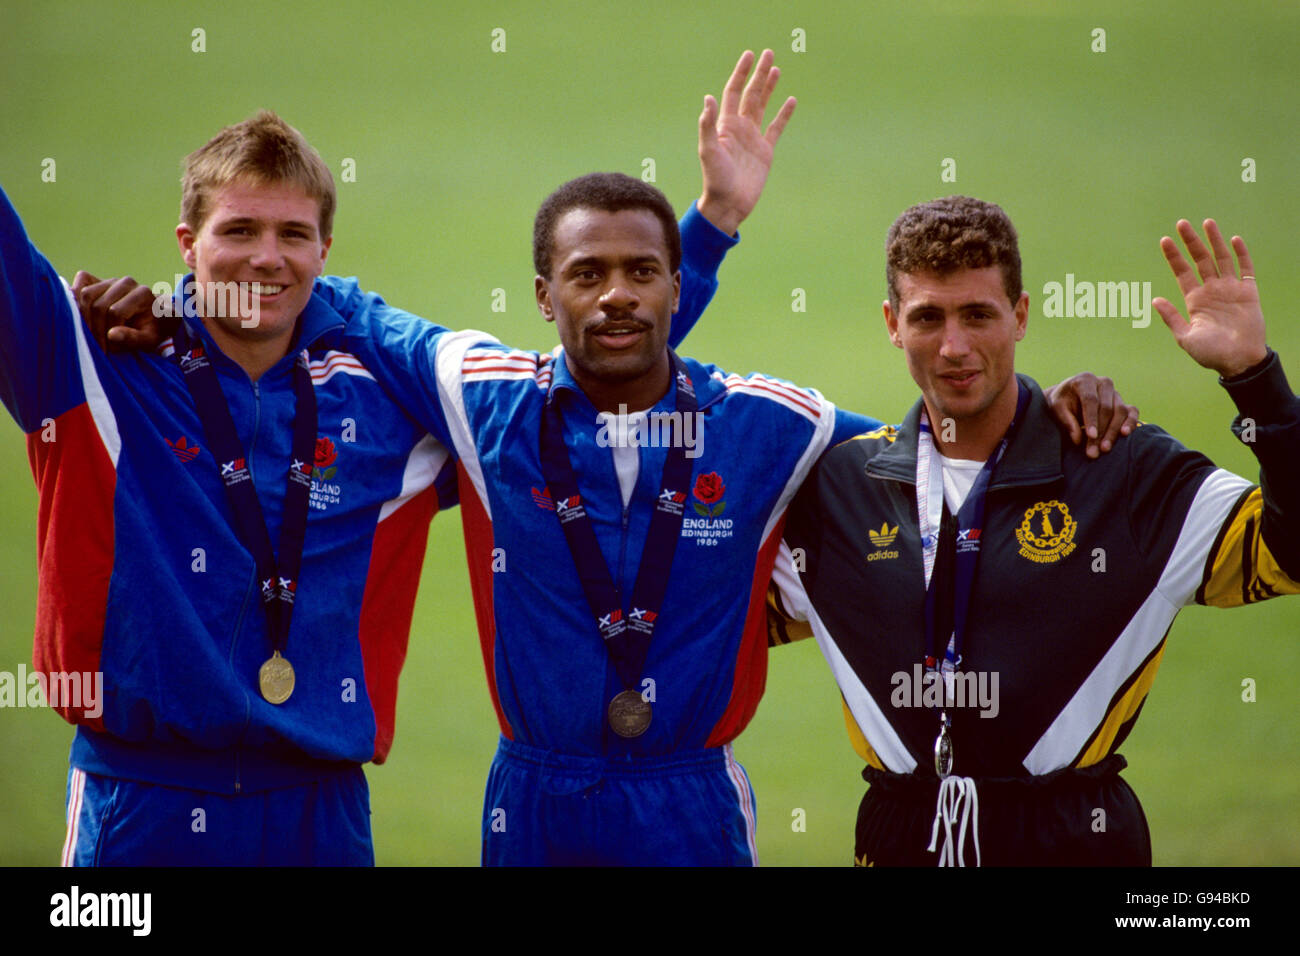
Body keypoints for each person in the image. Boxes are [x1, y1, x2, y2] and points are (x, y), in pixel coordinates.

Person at [0, 50, 791, 865]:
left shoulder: (387, 402)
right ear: (186, 241)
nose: (266, 258)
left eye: (292, 234)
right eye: (238, 230)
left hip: (323, 812)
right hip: (138, 807)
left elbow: (592, 374)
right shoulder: (91, 365)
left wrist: (712, 226)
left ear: (326, 247)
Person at [770, 196, 1299, 866]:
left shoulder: (1126, 471)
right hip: (900, 837)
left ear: (1019, 317)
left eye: (978, 315)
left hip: (1074, 839)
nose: (954, 346)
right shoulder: (837, 491)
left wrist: (1255, 380)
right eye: (927, 317)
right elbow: (704, 606)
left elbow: (1291, 553)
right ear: (892, 325)